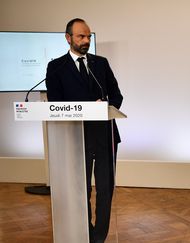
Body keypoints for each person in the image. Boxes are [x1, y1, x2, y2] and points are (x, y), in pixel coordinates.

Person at [45, 18, 123, 243]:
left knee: (105, 189)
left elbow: (117, 95)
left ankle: (99, 237)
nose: (86, 40)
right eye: (81, 36)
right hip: (76, 137)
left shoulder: (101, 63)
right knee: (81, 189)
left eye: (88, 36)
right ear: (68, 38)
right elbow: (56, 103)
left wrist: (107, 105)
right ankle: (85, 232)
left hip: (105, 135)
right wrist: (87, 108)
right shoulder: (56, 67)